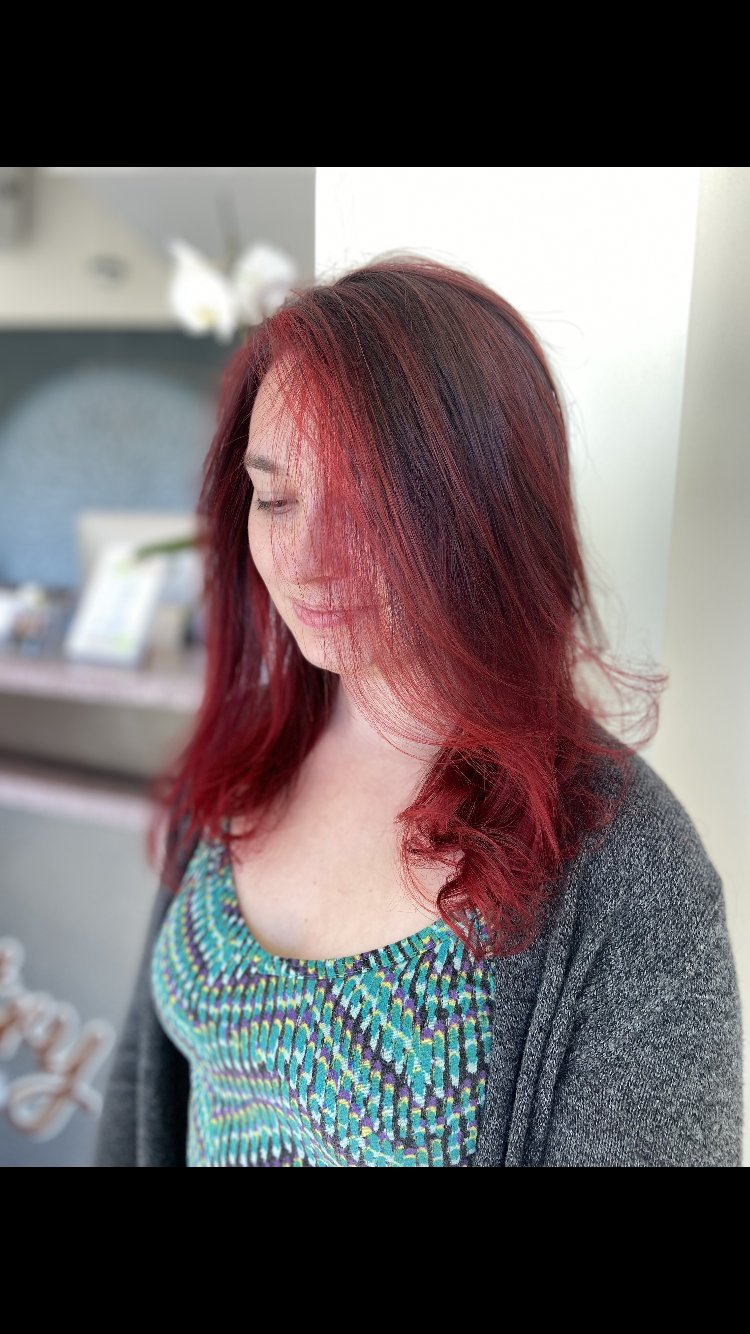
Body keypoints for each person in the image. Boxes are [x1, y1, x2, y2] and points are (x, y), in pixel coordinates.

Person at [97, 260, 742, 1167]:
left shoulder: (626, 870)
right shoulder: (253, 755)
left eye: (366, 504)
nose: (305, 559)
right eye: (276, 497)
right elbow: (140, 1096)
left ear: (484, 507)